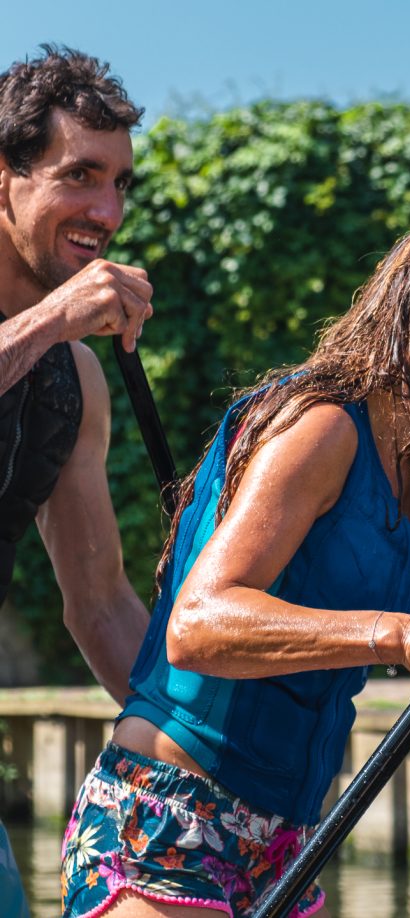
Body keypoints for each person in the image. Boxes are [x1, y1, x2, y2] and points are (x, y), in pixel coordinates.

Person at [62, 207, 410, 917]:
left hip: (287, 846)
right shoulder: (322, 423)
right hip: (167, 821)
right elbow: (197, 621)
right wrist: (401, 634)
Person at [0, 46, 153, 916]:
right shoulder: (56, 334)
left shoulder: (77, 380)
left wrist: (207, 739)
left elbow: (98, 603)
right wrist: (51, 319)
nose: (106, 211)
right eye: (79, 175)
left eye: (122, 184)